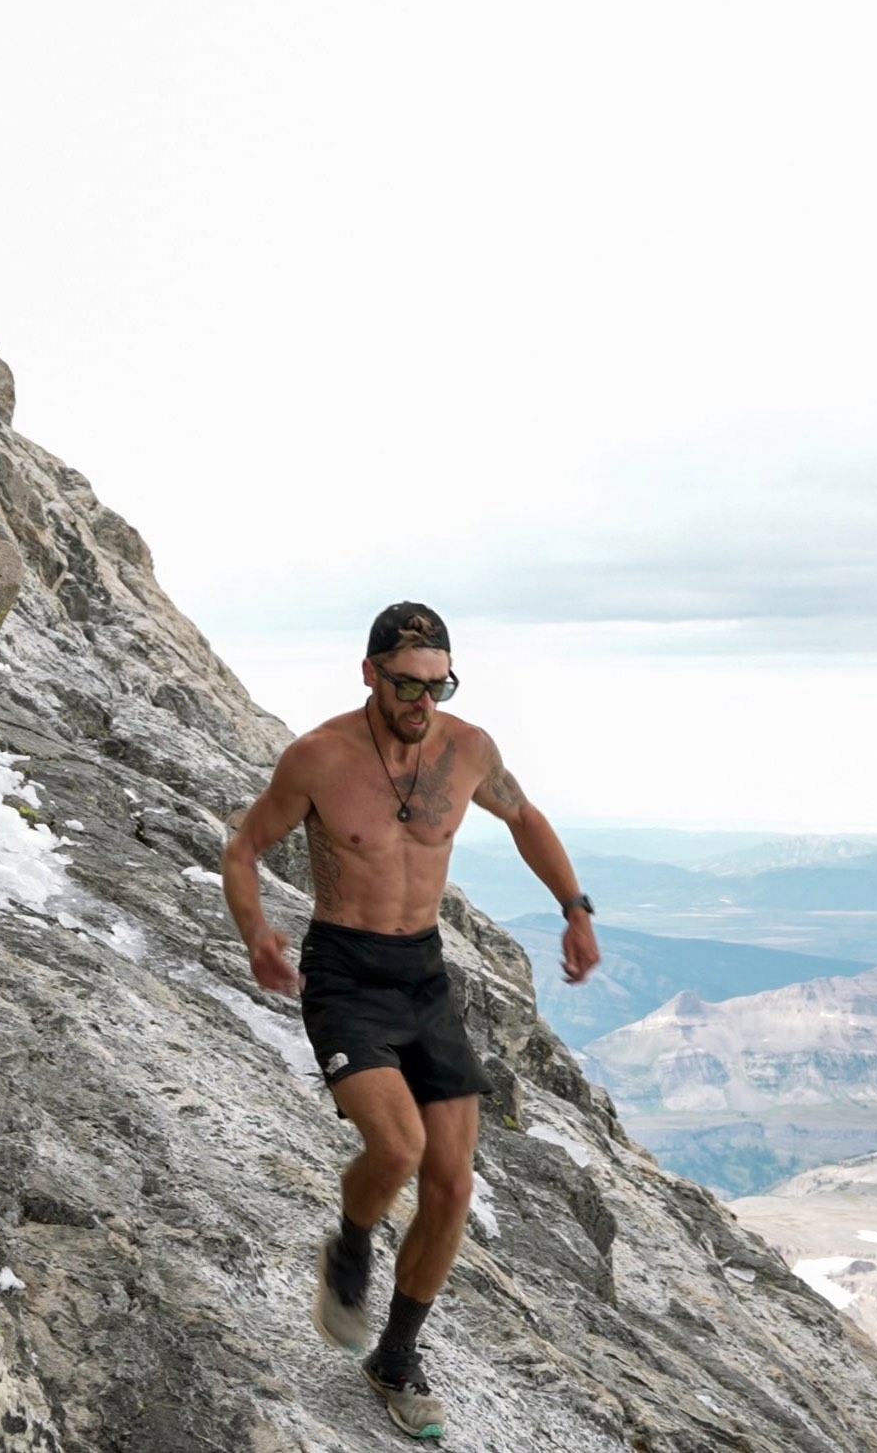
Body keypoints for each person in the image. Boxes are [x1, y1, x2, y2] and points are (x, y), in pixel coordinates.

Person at [220, 601, 601, 1441]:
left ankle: (394, 1357)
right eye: (406, 683)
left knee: (452, 1183)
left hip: (424, 975)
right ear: (370, 674)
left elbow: (526, 817)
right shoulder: (319, 756)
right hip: (346, 975)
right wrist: (257, 937)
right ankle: (352, 1240)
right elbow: (243, 848)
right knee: (396, 1149)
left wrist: (574, 907)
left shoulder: (468, 749)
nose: (424, 699)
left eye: (438, 683)